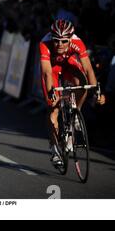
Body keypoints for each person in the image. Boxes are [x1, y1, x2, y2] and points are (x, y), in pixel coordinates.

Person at [39, 19, 106, 166]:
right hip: (52, 69)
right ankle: (55, 149)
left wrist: (97, 91)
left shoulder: (78, 42)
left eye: (64, 41)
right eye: (57, 41)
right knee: (53, 109)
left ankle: (76, 111)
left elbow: (88, 69)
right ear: (52, 38)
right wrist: (52, 92)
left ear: (70, 38)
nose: (60, 45)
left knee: (82, 82)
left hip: (69, 63)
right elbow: (47, 72)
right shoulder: (44, 44)